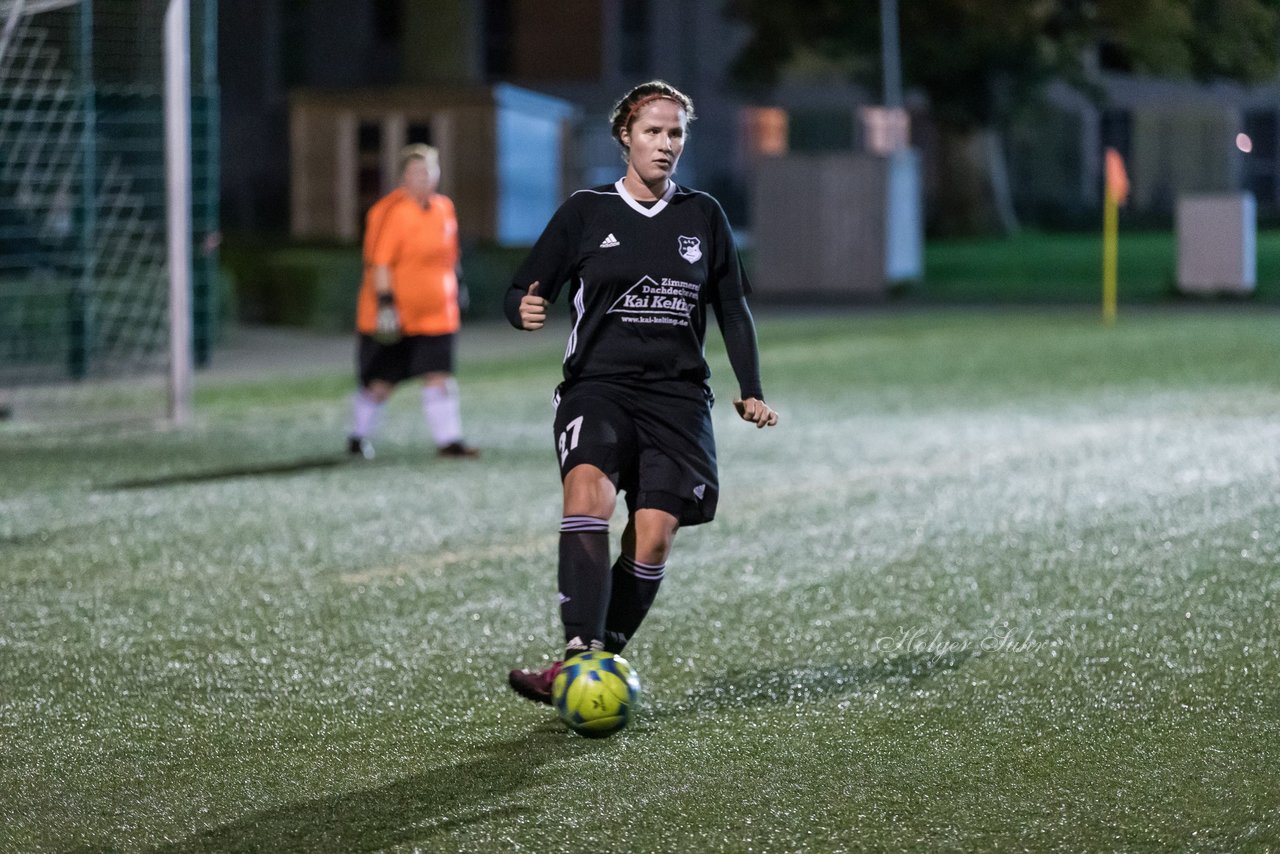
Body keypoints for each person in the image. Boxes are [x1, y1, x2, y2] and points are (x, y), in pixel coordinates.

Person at [504, 80, 779, 704]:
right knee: (587, 493)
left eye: (675, 132)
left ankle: (594, 662)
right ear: (625, 136)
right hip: (597, 388)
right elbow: (523, 286)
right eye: (653, 131)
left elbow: (732, 310)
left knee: (653, 536)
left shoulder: (703, 215)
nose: (665, 144)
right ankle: (576, 653)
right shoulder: (585, 211)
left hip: (677, 399)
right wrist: (522, 306)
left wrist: (752, 388)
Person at [347, 144, 478, 460]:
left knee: (438, 375)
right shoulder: (389, 211)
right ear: (403, 176)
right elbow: (378, 263)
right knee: (380, 383)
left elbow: (451, 255)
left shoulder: (444, 208)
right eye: (417, 172)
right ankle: (357, 437)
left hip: (436, 314)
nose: (425, 177)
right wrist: (386, 304)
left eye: (430, 170)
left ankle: (449, 441)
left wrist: (458, 285)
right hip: (398, 316)